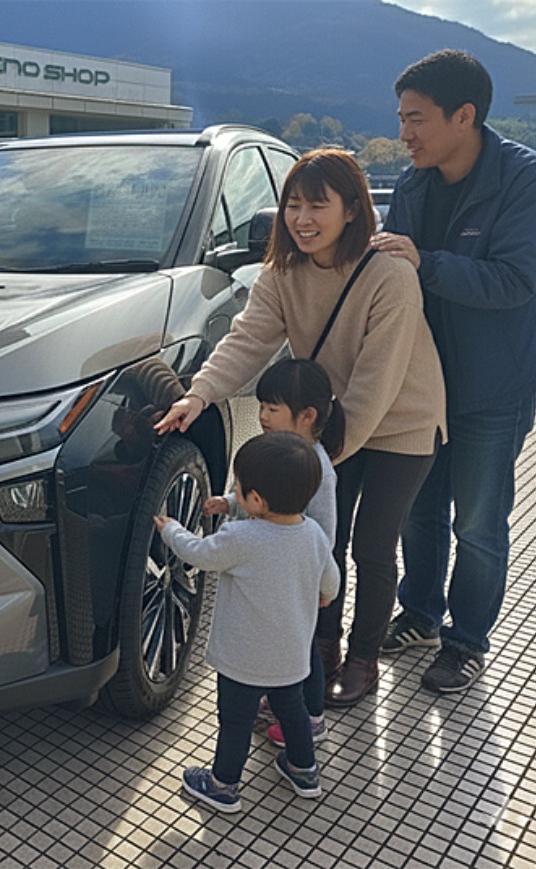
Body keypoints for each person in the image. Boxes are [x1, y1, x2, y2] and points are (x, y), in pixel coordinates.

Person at [155, 148, 446, 708]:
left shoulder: (390, 274)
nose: (302, 219)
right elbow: (247, 339)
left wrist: (313, 456)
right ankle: (322, 650)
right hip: (330, 422)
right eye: (293, 205)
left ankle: (363, 659)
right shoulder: (281, 273)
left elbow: (377, 380)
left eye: (318, 205)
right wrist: (199, 394)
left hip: (402, 422)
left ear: (352, 210)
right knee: (323, 539)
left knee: (373, 546)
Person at [373, 50, 536, 693]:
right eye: (401, 119)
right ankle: (420, 615)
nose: (404, 134)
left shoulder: (527, 179)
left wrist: (424, 262)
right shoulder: (412, 185)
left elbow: (512, 281)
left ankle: (466, 640)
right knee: (418, 509)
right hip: (424, 382)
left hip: (494, 383)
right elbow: (390, 277)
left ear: (464, 116)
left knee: (478, 522)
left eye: (416, 119)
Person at [156, 431, 339, 813]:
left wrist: (171, 529)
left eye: (237, 487)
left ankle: (223, 785)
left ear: (256, 499)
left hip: (243, 659)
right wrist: (323, 595)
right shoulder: (314, 535)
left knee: (236, 721)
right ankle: (304, 771)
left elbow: (198, 553)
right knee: (293, 712)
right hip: (290, 657)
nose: (235, 492)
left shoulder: (240, 536)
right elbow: (332, 582)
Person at [205, 359, 344, 747]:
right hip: (277, 572)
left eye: (272, 408)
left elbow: (325, 535)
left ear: (307, 416)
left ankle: (311, 717)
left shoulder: (317, 469)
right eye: (261, 406)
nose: (262, 416)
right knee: (286, 645)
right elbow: (265, 497)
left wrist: (320, 581)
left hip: (298, 578)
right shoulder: (283, 453)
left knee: (303, 649)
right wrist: (230, 502)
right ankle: (287, 702)